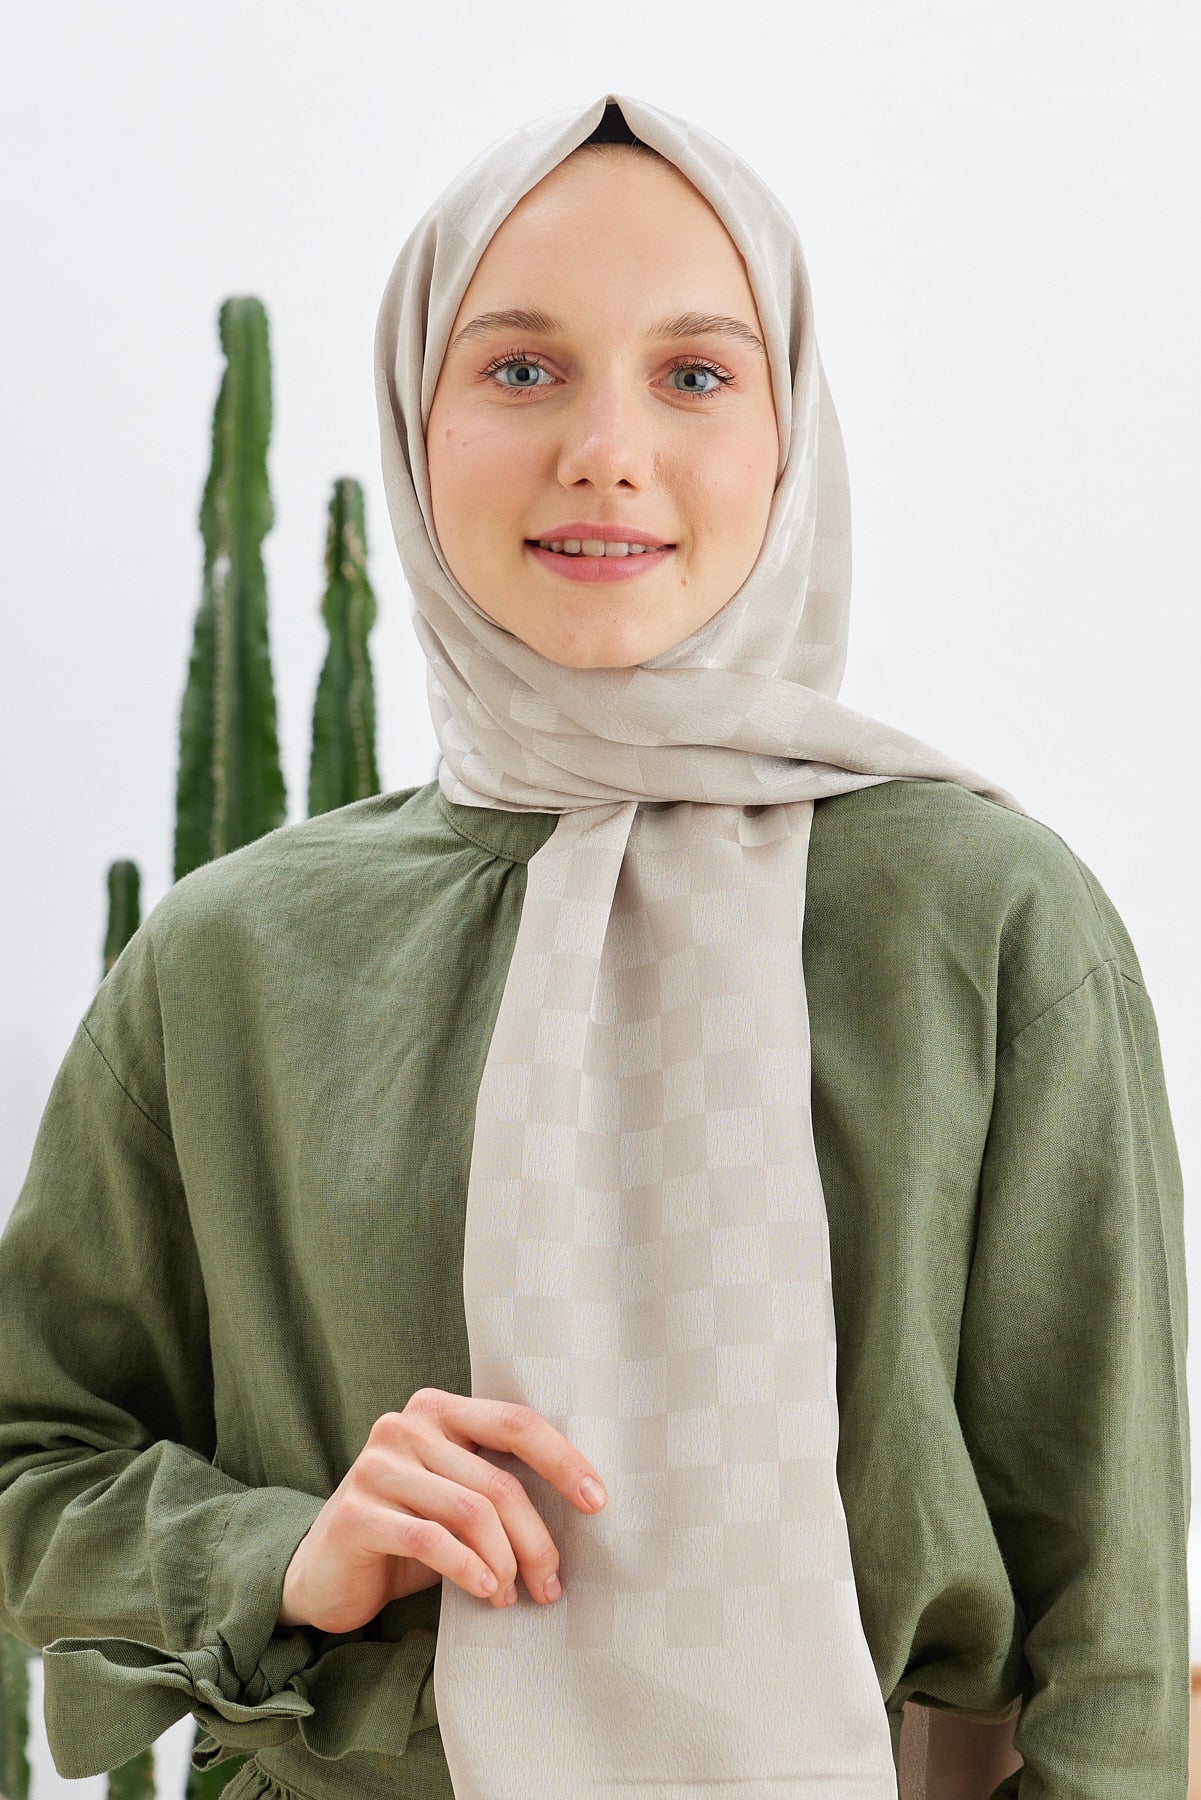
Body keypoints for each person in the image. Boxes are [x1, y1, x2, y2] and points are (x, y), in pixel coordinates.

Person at [0, 93, 1188, 1800]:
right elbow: (31, 1456)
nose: (605, 448)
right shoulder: (228, 960)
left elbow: (1112, 1626)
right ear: (414, 423)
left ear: (790, 432)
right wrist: (285, 1555)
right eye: (519, 368)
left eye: (693, 373)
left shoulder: (985, 920)